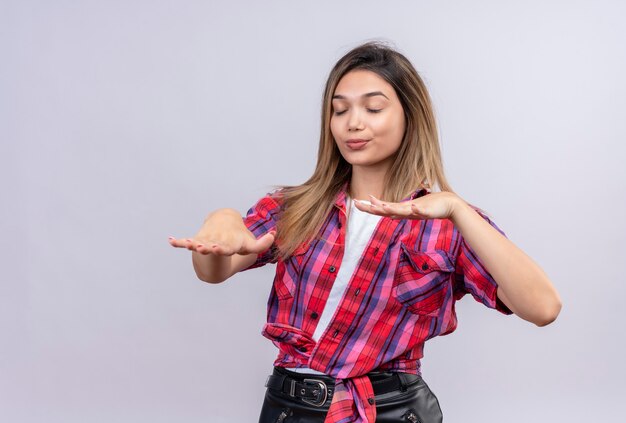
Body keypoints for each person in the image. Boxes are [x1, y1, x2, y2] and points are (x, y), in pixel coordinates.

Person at [169, 41, 562, 423]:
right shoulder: (296, 209)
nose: (353, 123)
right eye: (340, 110)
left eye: (373, 108)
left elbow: (543, 308)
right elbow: (212, 270)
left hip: (394, 410)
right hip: (291, 409)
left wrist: (458, 209)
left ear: (410, 115)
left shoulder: (445, 225)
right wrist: (221, 221)